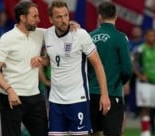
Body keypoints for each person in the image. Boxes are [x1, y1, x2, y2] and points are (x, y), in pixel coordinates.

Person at [42, 0, 110, 135]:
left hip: (77, 99)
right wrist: (42, 60)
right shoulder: (47, 34)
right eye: (59, 17)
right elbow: (53, 59)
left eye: (66, 15)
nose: (64, 20)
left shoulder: (80, 35)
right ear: (50, 19)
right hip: (55, 100)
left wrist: (104, 94)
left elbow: (98, 64)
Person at [0, 1, 48, 136]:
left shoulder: (41, 33)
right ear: (22, 17)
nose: (38, 20)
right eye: (34, 16)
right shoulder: (7, 39)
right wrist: (9, 91)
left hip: (35, 97)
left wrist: (73, 26)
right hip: (11, 97)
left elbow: (61, 32)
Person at [88, 1, 132, 136]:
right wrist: (119, 82)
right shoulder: (120, 38)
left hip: (91, 93)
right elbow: (127, 69)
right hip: (112, 93)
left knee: (94, 132)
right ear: (116, 15)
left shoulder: (89, 36)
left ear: (99, 16)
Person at [133, 29, 155, 136]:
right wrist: (140, 75)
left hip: (153, 82)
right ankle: (144, 132)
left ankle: (146, 131)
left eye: (154, 36)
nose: (152, 38)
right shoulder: (141, 49)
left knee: (149, 108)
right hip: (144, 83)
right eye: (150, 36)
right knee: (144, 107)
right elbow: (133, 63)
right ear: (146, 37)